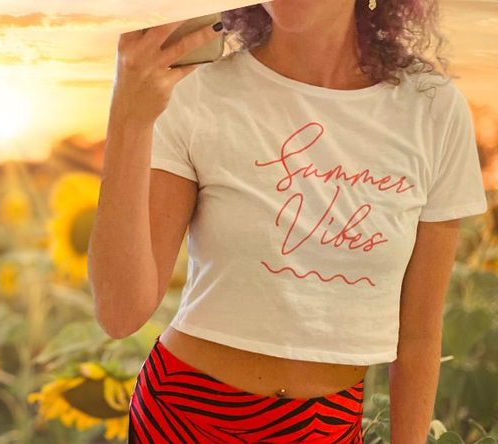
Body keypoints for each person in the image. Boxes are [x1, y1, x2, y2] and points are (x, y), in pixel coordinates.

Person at [90, 0, 484, 442]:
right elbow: (120, 314)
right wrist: (130, 117)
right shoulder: (199, 94)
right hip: (188, 415)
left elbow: (418, 335)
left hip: (329, 428)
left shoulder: (432, 110)